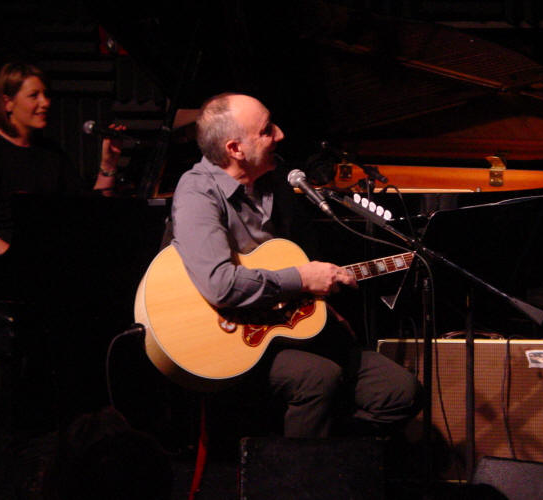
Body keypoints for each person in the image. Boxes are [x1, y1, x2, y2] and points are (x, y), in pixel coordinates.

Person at [171, 92, 421, 438]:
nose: (280, 135)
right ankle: (295, 479)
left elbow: (286, 263)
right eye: (266, 130)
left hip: (283, 325)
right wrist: (302, 279)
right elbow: (220, 285)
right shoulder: (198, 192)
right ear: (235, 149)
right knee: (318, 377)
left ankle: (333, 463)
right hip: (229, 339)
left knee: (400, 391)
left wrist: (320, 300)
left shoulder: (279, 185)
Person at [0, 62, 125, 296]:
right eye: (33, 96)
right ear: (8, 103)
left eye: (46, 95)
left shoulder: (50, 152)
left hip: (47, 270)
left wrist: (108, 165)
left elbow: (89, 210)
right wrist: (22, 262)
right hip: (7, 275)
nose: (45, 103)